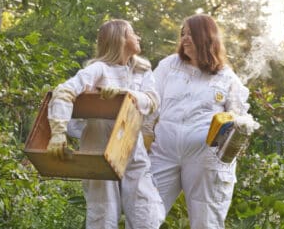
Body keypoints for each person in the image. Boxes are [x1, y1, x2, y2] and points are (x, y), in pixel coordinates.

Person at [46, 19, 165, 229]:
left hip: (132, 149)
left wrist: (126, 95)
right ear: (119, 39)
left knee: (145, 215)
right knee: (102, 217)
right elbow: (63, 92)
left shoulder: (142, 71)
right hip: (98, 149)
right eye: (132, 33)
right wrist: (58, 132)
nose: (138, 37)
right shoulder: (98, 69)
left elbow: (153, 101)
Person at [144, 14, 259, 228]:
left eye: (190, 34)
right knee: (144, 215)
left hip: (205, 158)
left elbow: (239, 118)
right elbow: (149, 103)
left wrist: (239, 123)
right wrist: (143, 138)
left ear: (206, 37)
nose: (185, 39)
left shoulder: (226, 76)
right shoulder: (169, 65)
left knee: (206, 222)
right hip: (163, 152)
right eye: (183, 34)